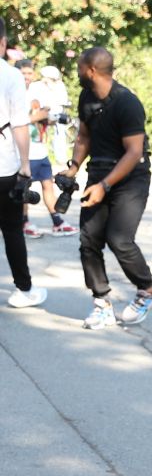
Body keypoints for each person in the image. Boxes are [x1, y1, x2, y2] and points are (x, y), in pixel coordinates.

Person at [58, 46, 152, 329]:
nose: (77, 71)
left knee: (120, 239)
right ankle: (101, 303)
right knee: (88, 240)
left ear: (91, 70)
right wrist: (74, 166)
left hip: (131, 178)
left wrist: (104, 185)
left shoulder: (127, 103)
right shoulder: (87, 97)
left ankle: (147, 290)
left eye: (79, 66)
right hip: (98, 174)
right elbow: (84, 136)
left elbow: (133, 152)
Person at [0, 17, 47, 308]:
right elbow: (19, 123)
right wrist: (26, 165)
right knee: (12, 228)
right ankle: (24, 289)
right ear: (3, 43)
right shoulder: (10, 75)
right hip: (4, 166)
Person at [15, 59, 78, 237]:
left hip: (40, 148)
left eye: (29, 73)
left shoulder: (35, 93)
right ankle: (24, 222)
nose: (27, 77)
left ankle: (57, 221)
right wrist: (38, 117)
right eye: (23, 73)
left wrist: (51, 118)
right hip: (23, 150)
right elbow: (15, 121)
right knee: (24, 188)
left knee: (47, 185)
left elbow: (42, 116)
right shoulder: (13, 94)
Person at [39, 65, 70, 165]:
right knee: (43, 136)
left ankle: (61, 158)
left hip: (57, 114)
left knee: (60, 136)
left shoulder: (59, 86)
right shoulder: (41, 86)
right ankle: (44, 156)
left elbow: (63, 101)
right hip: (45, 115)